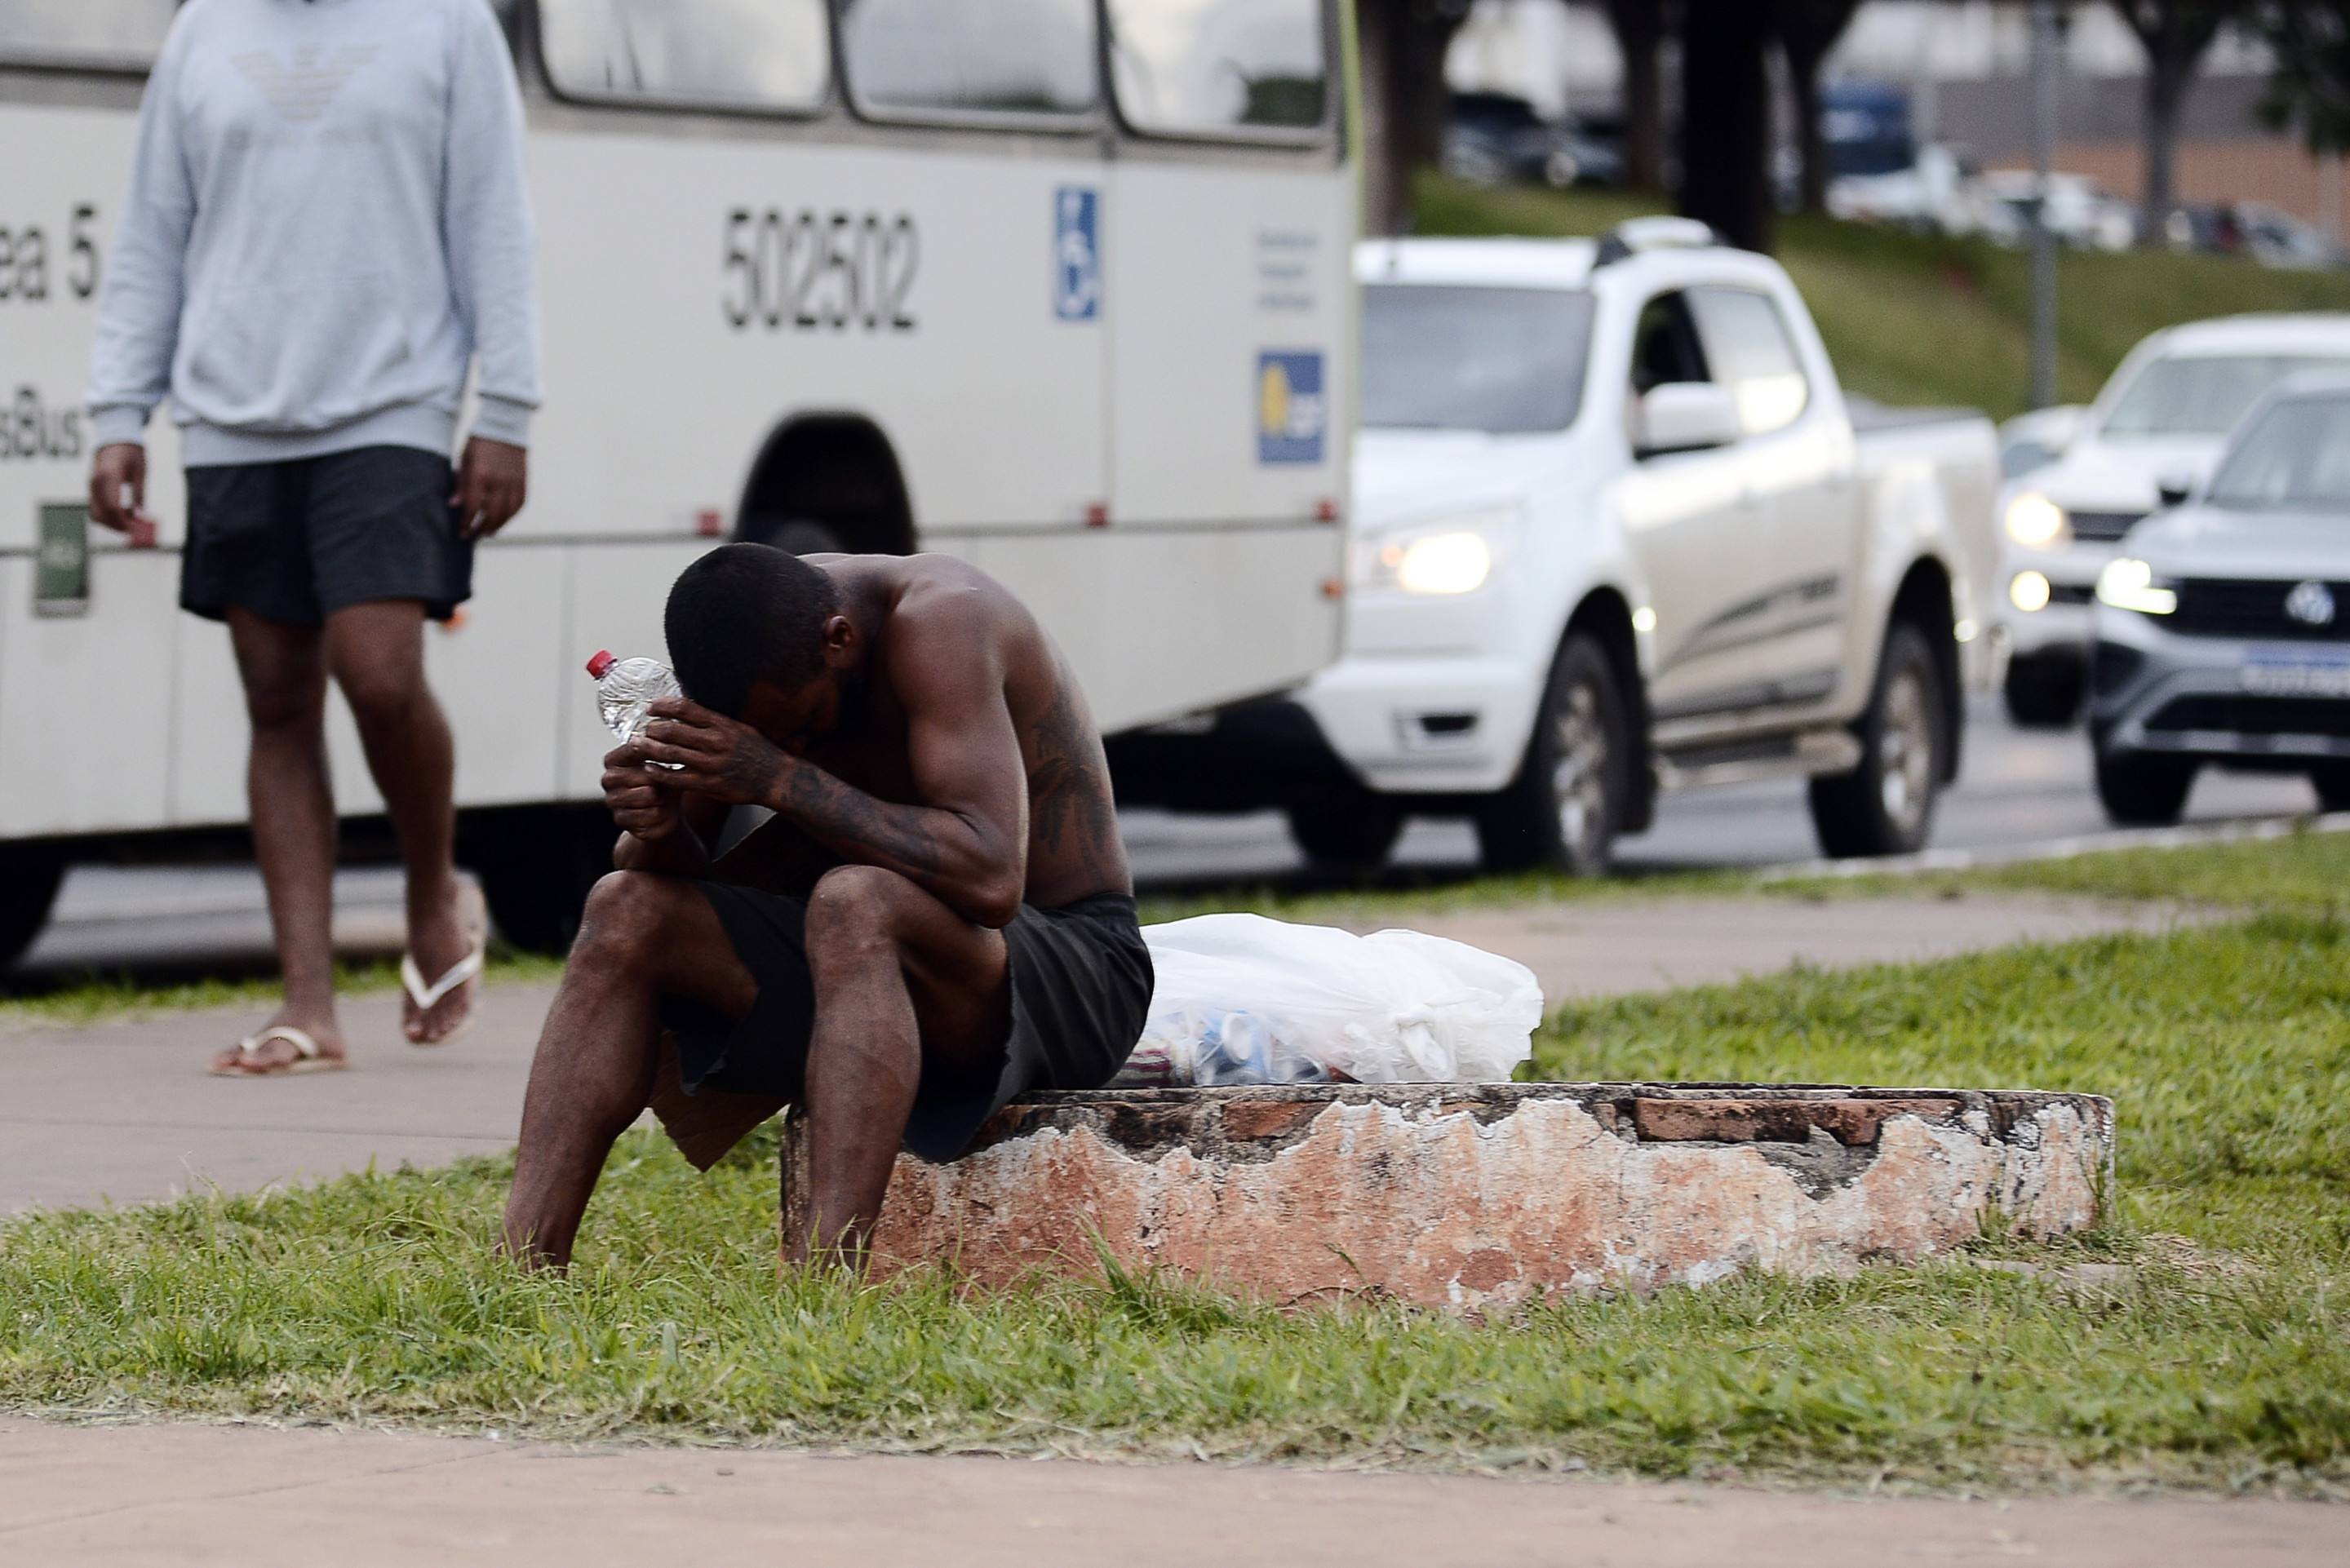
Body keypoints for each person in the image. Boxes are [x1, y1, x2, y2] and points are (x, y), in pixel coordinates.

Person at [83, 0, 542, 1075]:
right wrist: (118, 413)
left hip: (393, 404)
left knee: (379, 673)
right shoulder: (204, 29)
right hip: (231, 415)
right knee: (278, 700)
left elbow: (494, 216)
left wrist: (507, 408)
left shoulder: (447, 23)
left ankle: (430, 887)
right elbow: (153, 232)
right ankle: (308, 1006)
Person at [501, 544, 1151, 1267]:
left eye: (803, 727)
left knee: (855, 897)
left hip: (1078, 974)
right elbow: (680, 873)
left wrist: (777, 777)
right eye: (772, 739)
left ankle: (825, 1281)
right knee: (624, 906)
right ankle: (522, 1264)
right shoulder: (751, 645)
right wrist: (657, 826)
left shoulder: (944, 621)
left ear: (839, 639)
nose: (792, 745)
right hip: (876, 976)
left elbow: (992, 879)